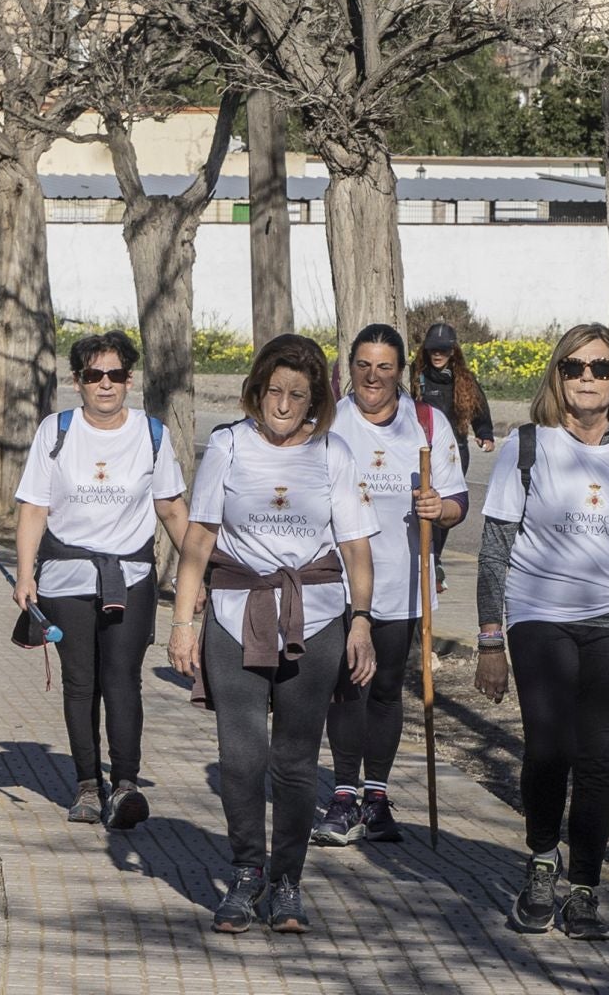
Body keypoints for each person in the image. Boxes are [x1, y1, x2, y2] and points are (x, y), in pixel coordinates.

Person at [475, 322, 609, 941]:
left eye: (600, 367)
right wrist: (489, 640)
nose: (587, 379)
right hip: (539, 615)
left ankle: (585, 888)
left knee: (598, 759)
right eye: (574, 367)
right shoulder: (527, 447)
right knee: (549, 747)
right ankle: (543, 862)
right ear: (557, 376)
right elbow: (494, 551)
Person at [167, 334, 379, 935]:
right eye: (274, 392)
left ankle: (286, 879)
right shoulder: (228, 445)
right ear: (256, 392)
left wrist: (360, 621)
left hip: (314, 621)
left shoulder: (333, 453)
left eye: (298, 395)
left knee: (294, 760)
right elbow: (199, 540)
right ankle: (245, 873)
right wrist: (183, 622)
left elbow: (357, 548)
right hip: (235, 616)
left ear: (315, 401)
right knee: (241, 757)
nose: (283, 405)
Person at [14, 330, 190, 828]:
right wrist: (25, 574)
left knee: (122, 680)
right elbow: (33, 507)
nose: (105, 384)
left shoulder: (152, 434)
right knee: (80, 683)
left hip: (130, 578)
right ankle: (88, 786)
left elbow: (173, 511)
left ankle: (127, 785)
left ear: (129, 380)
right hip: (65, 577)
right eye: (95, 375)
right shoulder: (57, 431)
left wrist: (203, 573)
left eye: (115, 374)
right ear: (78, 382)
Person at [312, 322, 469, 846]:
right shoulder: (329, 423)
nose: (372, 377)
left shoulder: (426, 423)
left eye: (384, 366)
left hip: (403, 582)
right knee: (345, 688)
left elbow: (457, 502)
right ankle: (342, 795)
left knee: (384, 689)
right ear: (348, 367)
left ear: (401, 370)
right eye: (363, 365)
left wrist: (439, 508)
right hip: (337, 586)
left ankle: (375, 798)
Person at [411, 322, 495, 588]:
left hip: (454, 452)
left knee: (445, 508)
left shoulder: (464, 380)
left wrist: (485, 433)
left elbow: (480, 409)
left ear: (453, 351)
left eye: (443, 350)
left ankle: (434, 559)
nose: (437, 355)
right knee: (423, 505)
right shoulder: (416, 377)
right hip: (422, 452)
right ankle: (422, 557)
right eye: (433, 350)